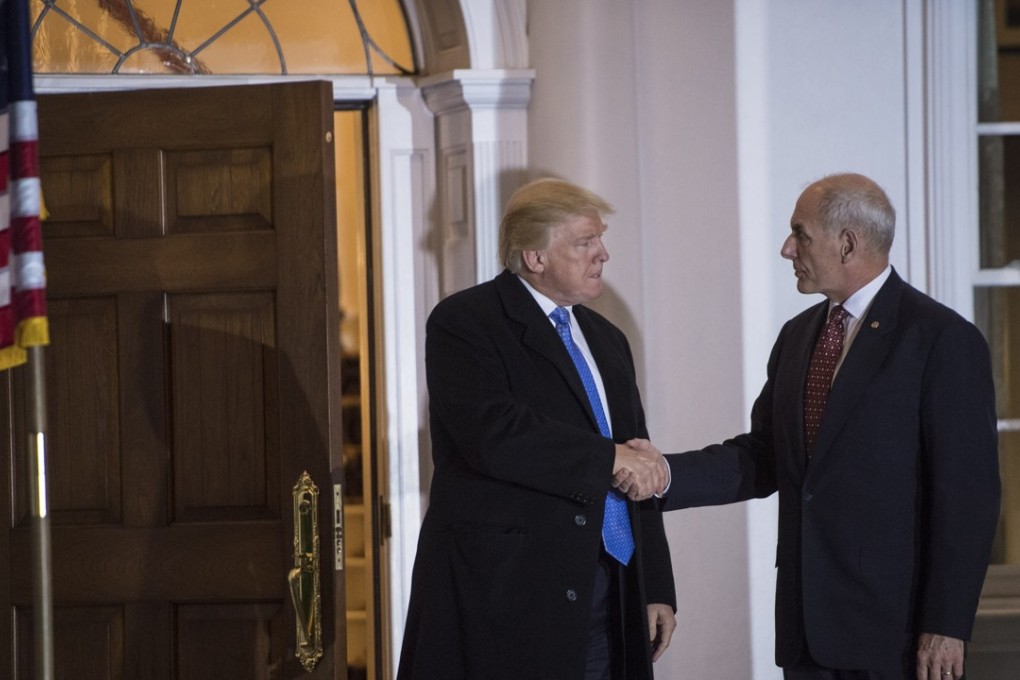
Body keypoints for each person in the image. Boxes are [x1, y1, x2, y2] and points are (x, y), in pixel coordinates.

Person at [620, 173, 1001, 679]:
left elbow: (967, 498)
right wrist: (663, 474)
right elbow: (763, 457)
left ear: (847, 243)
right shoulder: (799, 336)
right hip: (806, 634)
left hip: (898, 637)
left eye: (799, 233)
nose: (786, 248)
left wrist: (947, 624)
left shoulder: (941, 340)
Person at [397, 177, 677, 680]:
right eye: (585, 242)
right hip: (511, 595)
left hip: (612, 588)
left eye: (600, 239)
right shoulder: (465, 322)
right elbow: (495, 434)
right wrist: (607, 458)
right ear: (535, 257)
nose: (603, 255)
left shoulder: (607, 338)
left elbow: (638, 453)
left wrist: (655, 584)